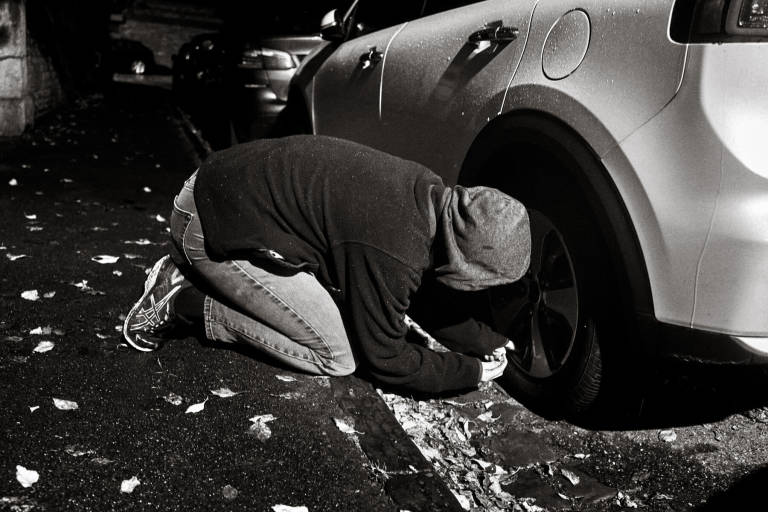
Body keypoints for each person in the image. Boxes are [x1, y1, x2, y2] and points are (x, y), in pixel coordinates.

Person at [122, 135, 530, 394]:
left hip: (219, 190)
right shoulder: (393, 248)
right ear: (466, 266)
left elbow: (416, 295)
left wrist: (481, 341)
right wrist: (470, 372)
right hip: (206, 226)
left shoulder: (427, 194)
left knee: (341, 322)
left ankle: (196, 279)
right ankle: (184, 302)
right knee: (336, 355)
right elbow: (386, 361)